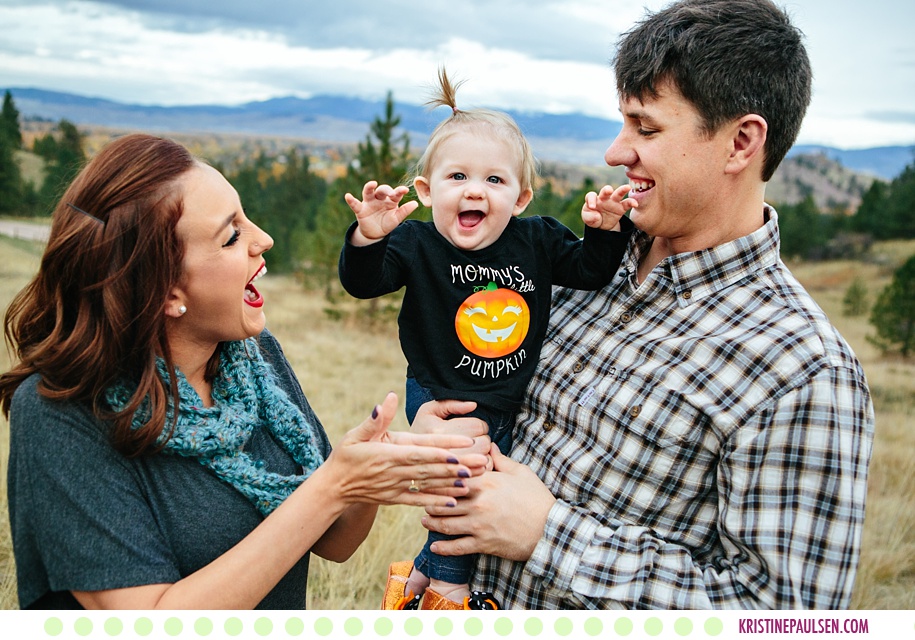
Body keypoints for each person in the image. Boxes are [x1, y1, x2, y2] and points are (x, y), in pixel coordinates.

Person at [415, 0, 875, 609]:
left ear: (741, 142)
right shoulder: (575, 266)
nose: (615, 151)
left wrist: (548, 535)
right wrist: (438, 429)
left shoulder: (801, 371)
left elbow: (785, 617)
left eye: (646, 128)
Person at [0, 133, 489, 610]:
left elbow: (334, 543)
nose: (264, 239)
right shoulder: (61, 414)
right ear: (166, 290)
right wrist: (332, 487)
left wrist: (365, 475)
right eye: (232, 236)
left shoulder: (253, 360)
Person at [338, 68, 636, 609]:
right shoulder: (416, 244)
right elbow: (364, 283)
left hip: (506, 398)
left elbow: (591, 271)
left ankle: (417, 583)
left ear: (520, 198)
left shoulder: (537, 239)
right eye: (458, 178)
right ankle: (451, 596)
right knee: (462, 479)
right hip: (439, 393)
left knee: (480, 490)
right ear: (427, 192)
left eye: (494, 181)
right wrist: (367, 238)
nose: (475, 189)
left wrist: (605, 230)